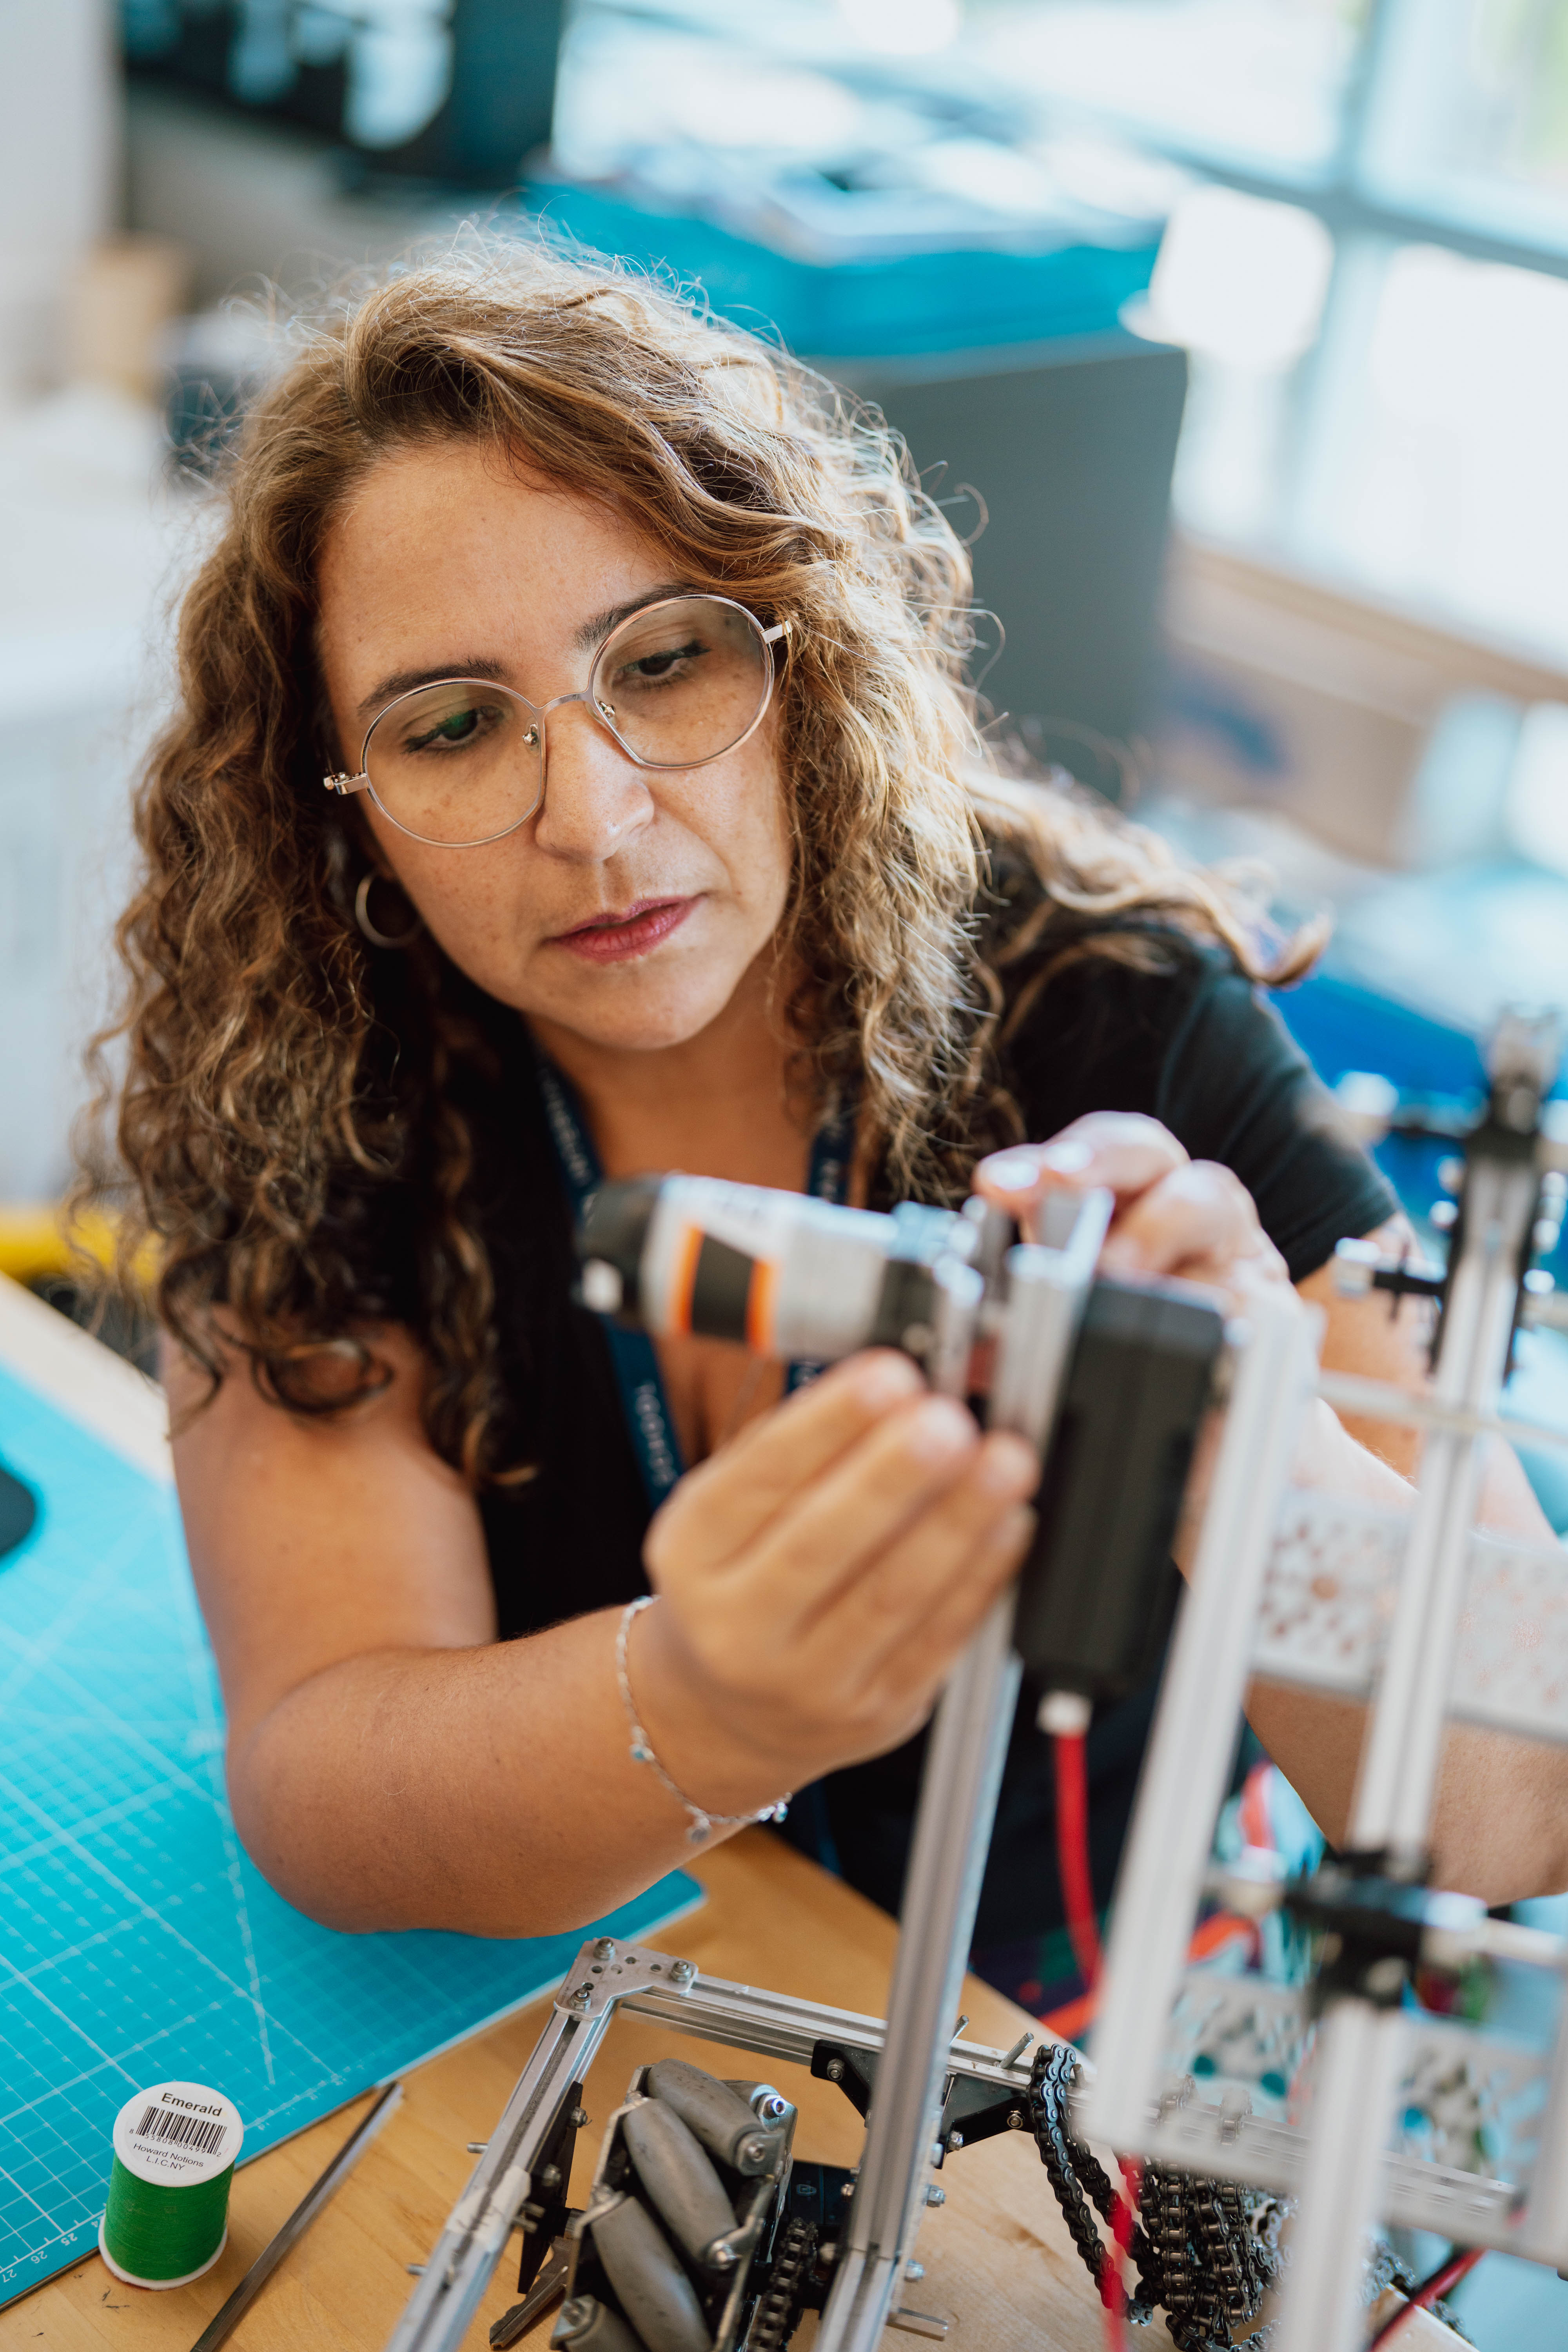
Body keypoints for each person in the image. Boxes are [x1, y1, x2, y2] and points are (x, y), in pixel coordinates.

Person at [91, 241, 1567, 1992]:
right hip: (585, 1975)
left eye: (662, 664)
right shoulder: (314, 1091)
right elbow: (324, 1776)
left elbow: (1513, 1803)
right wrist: (703, 1704)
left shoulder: (1114, 1012)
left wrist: (1256, 1448)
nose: (594, 816)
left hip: (1071, 2021)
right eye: (455, 726)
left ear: (805, 655)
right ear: (337, 809)